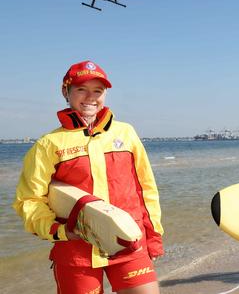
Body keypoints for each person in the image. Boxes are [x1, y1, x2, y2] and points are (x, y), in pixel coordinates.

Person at [13, 60, 164, 294]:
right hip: (76, 250)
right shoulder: (48, 144)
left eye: (98, 91)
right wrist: (58, 230)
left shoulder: (126, 133)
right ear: (66, 91)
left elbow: (146, 189)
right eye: (81, 89)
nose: (90, 97)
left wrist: (153, 237)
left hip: (128, 241)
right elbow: (29, 200)